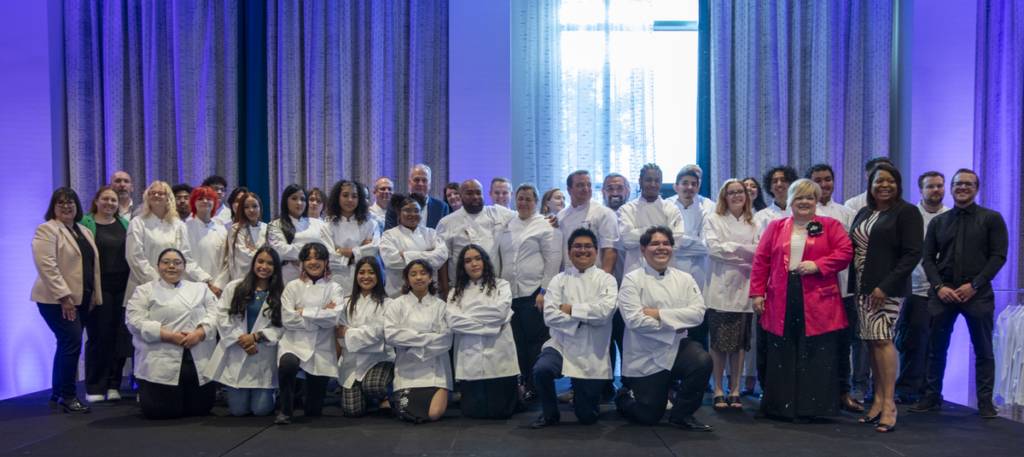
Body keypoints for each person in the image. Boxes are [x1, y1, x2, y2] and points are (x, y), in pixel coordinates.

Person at [750, 179, 853, 422]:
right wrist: (757, 293)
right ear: (790, 201)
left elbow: (845, 252)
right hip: (781, 297)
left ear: (817, 202)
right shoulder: (775, 227)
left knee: (815, 354)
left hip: (819, 300)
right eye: (799, 197)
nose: (804, 202)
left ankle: (812, 409)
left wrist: (819, 265)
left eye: (809, 198)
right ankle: (779, 408)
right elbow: (761, 261)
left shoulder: (830, 225)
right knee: (782, 353)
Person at [910, 168, 1008, 419]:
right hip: (943, 293)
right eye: (958, 184)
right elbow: (928, 258)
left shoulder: (992, 218)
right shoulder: (939, 222)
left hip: (977, 293)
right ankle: (931, 397)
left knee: (984, 349)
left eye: (968, 184)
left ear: (977, 188)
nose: (962, 187)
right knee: (935, 348)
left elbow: (998, 257)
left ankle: (985, 402)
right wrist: (940, 287)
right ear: (952, 188)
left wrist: (974, 284)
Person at [847, 163, 923, 432]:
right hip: (862, 289)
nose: (885, 185)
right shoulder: (865, 212)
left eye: (890, 181)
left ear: (898, 185)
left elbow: (912, 254)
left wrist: (885, 287)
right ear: (871, 184)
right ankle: (877, 402)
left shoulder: (907, 212)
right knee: (871, 344)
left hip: (887, 291)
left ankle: (890, 406)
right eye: (880, 181)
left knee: (883, 340)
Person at [616, 226, 713, 431]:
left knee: (702, 361)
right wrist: (676, 323)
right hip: (645, 353)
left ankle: (682, 414)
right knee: (649, 415)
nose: (661, 248)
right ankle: (623, 396)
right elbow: (634, 321)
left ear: (672, 248)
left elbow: (697, 314)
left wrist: (656, 313)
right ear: (643, 250)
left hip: (677, 347)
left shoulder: (684, 278)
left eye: (666, 243)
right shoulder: (632, 280)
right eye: (655, 244)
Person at [530, 227, 618, 428]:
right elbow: (550, 316)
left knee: (587, 417)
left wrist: (568, 309)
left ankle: (588, 401)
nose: (582, 250)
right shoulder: (558, 280)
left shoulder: (607, 280)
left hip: (591, 350)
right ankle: (549, 414)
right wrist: (585, 318)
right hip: (561, 343)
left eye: (588, 246)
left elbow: (605, 313)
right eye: (577, 246)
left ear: (596, 251)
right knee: (542, 370)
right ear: (569, 252)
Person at [31, 187, 103, 413]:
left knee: (65, 343)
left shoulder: (83, 231)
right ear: (53, 207)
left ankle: (57, 390)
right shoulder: (47, 230)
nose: (66, 206)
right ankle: (69, 396)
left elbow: (91, 267)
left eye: (70, 202)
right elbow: (47, 266)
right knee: (71, 342)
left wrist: (92, 296)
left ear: (77, 206)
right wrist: (64, 297)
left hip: (81, 298)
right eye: (60, 202)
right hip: (56, 300)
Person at [126, 248, 217, 419]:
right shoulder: (144, 291)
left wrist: (198, 333)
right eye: (166, 262)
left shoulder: (200, 289)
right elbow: (134, 322)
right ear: (157, 266)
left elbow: (216, 314)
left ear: (185, 266)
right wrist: (170, 337)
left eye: (177, 263)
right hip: (160, 360)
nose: (171, 266)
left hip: (196, 357)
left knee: (200, 410)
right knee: (161, 412)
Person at [806, 164, 865, 412]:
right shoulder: (803, 212)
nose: (823, 184)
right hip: (812, 291)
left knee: (843, 345)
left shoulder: (847, 212)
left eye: (828, 179)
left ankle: (842, 393)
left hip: (843, 289)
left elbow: (852, 251)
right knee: (815, 345)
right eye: (817, 180)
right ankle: (814, 393)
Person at [499, 183, 561, 402]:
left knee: (536, 341)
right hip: (510, 294)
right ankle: (524, 383)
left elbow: (554, 260)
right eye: (520, 198)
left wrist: (544, 290)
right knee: (517, 340)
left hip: (535, 292)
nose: (523, 203)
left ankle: (537, 385)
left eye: (528, 199)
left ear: (537, 202)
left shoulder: (546, 224)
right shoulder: (508, 224)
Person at [446, 245, 525, 418]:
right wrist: (493, 327)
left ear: (485, 261)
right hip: (471, 357)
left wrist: (467, 314)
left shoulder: (501, 285)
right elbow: (454, 323)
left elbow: (500, 312)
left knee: (500, 412)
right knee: (473, 412)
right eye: (468, 261)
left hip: (498, 353)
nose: (474, 264)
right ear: (462, 266)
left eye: (477, 258)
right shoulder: (455, 292)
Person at [205, 247, 285, 417]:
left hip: (263, 352)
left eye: (270, 263)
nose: (264, 266)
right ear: (254, 263)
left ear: (276, 267)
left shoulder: (280, 293)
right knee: (238, 411)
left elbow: (282, 326)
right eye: (260, 261)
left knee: (261, 410)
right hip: (238, 350)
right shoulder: (235, 287)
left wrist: (256, 337)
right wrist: (242, 341)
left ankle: (270, 394)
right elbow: (222, 316)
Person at [703, 180, 760, 411]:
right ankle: (718, 390)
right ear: (724, 197)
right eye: (732, 192)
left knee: (739, 345)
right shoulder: (713, 219)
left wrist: (732, 248)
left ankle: (734, 390)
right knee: (718, 345)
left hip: (746, 290)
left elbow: (760, 253)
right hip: (719, 291)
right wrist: (743, 252)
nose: (737, 195)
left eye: (741, 192)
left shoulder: (755, 222)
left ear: (747, 195)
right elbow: (713, 249)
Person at [276, 243, 344, 424]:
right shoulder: (292, 287)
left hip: (321, 347)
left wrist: (302, 311)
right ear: (302, 262)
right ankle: (286, 409)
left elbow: (333, 319)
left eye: (318, 258)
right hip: (294, 343)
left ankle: (305, 395)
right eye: (308, 258)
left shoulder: (334, 288)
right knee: (287, 364)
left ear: (326, 261)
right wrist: (320, 311)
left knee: (313, 412)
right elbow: (287, 320)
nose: (313, 262)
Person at [895, 171, 949, 402]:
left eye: (939, 186)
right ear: (921, 190)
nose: (935, 190)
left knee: (937, 344)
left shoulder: (952, 216)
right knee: (912, 341)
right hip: (915, 288)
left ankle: (931, 391)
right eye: (930, 187)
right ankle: (906, 389)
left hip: (945, 291)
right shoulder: (910, 215)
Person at [125, 181, 214, 308]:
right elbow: (135, 257)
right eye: (152, 192)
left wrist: (205, 279)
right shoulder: (137, 222)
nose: (156, 195)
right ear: (147, 196)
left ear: (168, 197)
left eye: (161, 193)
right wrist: (157, 283)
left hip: (174, 285)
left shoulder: (178, 225)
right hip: (144, 284)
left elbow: (184, 257)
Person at [384, 260, 454, 423]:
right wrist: (428, 337)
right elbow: (391, 336)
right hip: (406, 370)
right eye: (413, 274)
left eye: (423, 273)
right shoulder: (396, 305)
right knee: (407, 416)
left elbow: (445, 341)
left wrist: (412, 344)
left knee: (434, 414)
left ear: (431, 277)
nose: (418, 277)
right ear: (407, 279)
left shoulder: (441, 306)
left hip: (436, 371)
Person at [80, 186, 131, 403]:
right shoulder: (85, 223)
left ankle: (113, 385)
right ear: (96, 200)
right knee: (99, 337)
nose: (110, 203)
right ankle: (94, 387)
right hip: (98, 289)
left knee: (119, 338)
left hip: (124, 288)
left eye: (113, 200)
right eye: (105, 199)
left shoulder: (125, 224)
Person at [335, 257, 395, 417]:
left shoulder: (388, 304)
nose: (366, 276)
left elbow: (381, 332)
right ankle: (365, 394)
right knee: (352, 411)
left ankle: (382, 395)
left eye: (371, 272)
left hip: (379, 358)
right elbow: (340, 336)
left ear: (378, 276)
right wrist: (361, 334)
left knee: (374, 385)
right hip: (351, 362)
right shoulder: (345, 303)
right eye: (362, 272)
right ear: (356, 276)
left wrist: (350, 332)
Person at [436, 179, 516, 297]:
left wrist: (550, 219)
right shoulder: (447, 222)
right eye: (469, 193)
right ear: (461, 196)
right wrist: (445, 289)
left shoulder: (496, 213)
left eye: (479, 193)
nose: (475, 197)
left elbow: (524, 217)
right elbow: (442, 259)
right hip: (461, 288)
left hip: (492, 287)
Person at [665, 167, 711, 353]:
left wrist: (680, 241)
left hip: (699, 275)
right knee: (673, 331)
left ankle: (700, 381)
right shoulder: (666, 209)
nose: (689, 187)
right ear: (676, 186)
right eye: (685, 183)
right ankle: (673, 380)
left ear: (698, 187)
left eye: (693, 184)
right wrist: (692, 240)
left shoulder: (706, 213)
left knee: (699, 331)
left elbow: (706, 247)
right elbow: (667, 243)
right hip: (672, 274)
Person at [617, 164, 685, 275]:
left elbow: (675, 244)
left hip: (665, 270)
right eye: (648, 180)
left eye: (657, 180)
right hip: (635, 270)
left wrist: (641, 233)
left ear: (661, 183)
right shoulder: (626, 210)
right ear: (640, 181)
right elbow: (627, 240)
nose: (653, 184)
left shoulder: (672, 209)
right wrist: (662, 233)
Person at [379, 193, 449, 298]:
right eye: (407, 210)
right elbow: (390, 261)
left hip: (429, 297)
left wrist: (404, 255)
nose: (412, 214)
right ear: (398, 213)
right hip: (398, 295)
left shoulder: (431, 233)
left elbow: (442, 255)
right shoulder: (389, 235)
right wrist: (427, 255)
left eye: (416, 211)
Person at [321, 180, 380, 295]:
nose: (350, 200)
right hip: (336, 282)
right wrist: (356, 254)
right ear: (337, 198)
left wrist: (342, 251)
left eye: (354, 196)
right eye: (345, 195)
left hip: (364, 281)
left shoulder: (370, 224)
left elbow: (372, 251)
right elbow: (328, 257)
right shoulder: (328, 226)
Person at [558, 170, 619, 274]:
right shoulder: (560, 216)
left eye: (589, 185)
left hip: (594, 278)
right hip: (566, 277)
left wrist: (604, 281)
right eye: (580, 185)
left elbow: (610, 251)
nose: (586, 189)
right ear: (569, 190)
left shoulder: (604, 213)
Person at [267, 184, 326, 284]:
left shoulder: (319, 223)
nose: (299, 203)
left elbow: (327, 250)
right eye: (294, 198)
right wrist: (314, 253)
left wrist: (302, 260)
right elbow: (280, 251)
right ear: (286, 200)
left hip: (316, 278)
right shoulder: (275, 225)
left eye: (303, 199)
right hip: (287, 279)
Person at [184, 186, 230, 297]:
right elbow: (184, 258)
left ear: (214, 202)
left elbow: (228, 261)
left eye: (209, 198)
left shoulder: (222, 230)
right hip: (192, 286)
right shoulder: (184, 228)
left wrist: (219, 285)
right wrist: (206, 282)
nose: (205, 201)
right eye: (200, 198)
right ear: (193, 202)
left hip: (218, 290)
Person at [385, 164, 450, 230]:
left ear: (430, 184)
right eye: (416, 180)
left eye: (424, 180)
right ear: (409, 183)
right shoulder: (396, 204)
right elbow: (389, 233)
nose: (420, 184)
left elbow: (444, 235)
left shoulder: (442, 207)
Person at [226, 192, 268, 282]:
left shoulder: (267, 228)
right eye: (246, 207)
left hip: (265, 279)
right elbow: (243, 257)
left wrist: (253, 250)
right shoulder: (235, 229)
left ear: (260, 207)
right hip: (243, 278)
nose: (251, 210)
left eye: (254, 206)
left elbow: (273, 254)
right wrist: (262, 253)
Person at [755, 166, 798, 231]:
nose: (779, 184)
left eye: (783, 180)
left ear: (791, 184)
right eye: (775, 181)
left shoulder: (800, 211)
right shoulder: (761, 216)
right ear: (770, 188)